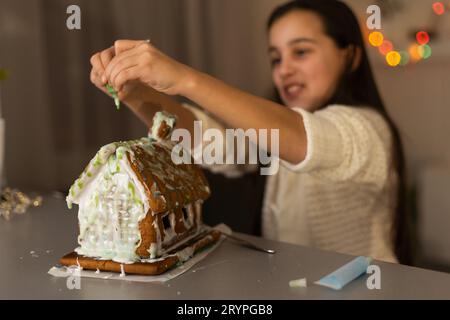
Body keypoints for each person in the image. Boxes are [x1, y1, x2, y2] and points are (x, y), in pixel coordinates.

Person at [89, 0, 412, 264]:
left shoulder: (368, 129)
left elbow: (305, 139)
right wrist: (135, 94)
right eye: (276, 57)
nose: (284, 70)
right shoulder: (275, 134)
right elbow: (206, 141)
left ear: (350, 55)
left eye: (301, 52)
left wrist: (185, 79)